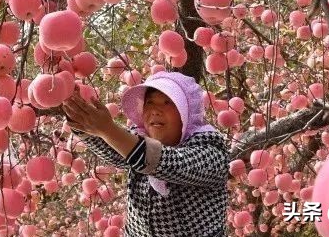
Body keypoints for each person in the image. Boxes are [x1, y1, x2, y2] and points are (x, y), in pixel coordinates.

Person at [63, 71, 230, 237]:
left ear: (185, 112)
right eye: (149, 102)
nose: (155, 110)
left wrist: (108, 129)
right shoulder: (138, 142)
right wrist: (78, 117)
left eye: (167, 102)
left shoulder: (211, 151)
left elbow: (172, 163)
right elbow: (115, 150)